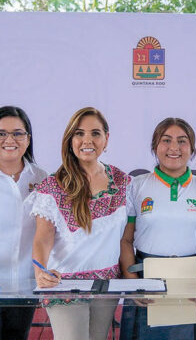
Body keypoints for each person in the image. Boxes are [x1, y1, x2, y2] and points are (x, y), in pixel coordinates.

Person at [119, 117, 196, 340]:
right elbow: (125, 241)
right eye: (166, 140)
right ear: (155, 146)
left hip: (195, 280)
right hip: (146, 279)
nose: (174, 148)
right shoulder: (136, 186)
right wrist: (133, 284)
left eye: (182, 141)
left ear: (192, 148)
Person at [29, 107, 130, 340]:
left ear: (106, 139)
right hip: (65, 284)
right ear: (70, 140)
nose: (87, 140)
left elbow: (126, 237)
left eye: (95, 133)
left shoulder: (123, 181)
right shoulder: (52, 186)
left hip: (106, 284)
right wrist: (40, 271)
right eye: (79, 134)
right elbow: (43, 238)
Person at [0, 106, 47, 340]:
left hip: (24, 287)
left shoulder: (41, 178)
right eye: (1, 133)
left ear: (28, 139)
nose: (10, 139)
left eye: (18, 133)